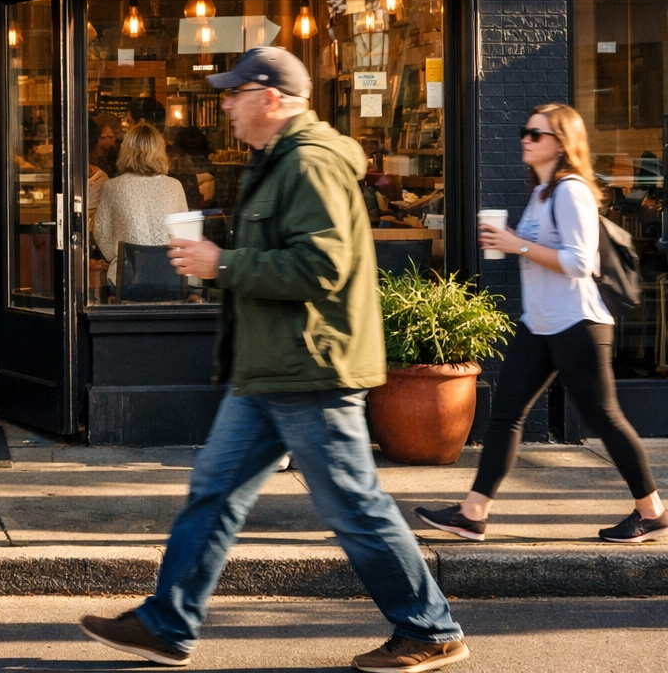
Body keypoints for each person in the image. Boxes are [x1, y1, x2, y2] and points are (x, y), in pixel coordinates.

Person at [80, 46, 467, 673]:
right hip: (270, 368)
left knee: (352, 503)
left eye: (235, 93)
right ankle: (167, 623)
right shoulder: (278, 161)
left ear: (272, 99)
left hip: (312, 366)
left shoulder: (310, 164)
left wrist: (220, 264)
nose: (226, 105)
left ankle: (430, 627)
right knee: (214, 490)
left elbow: (323, 267)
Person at [417, 104, 665, 545]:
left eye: (535, 134)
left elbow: (578, 263)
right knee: (507, 414)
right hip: (542, 324)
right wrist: (510, 243)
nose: (525, 140)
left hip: (578, 324)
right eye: (524, 132)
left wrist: (518, 245)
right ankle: (473, 512)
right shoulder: (541, 192)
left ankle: (652, 511)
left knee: (605, 418)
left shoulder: (571, 191)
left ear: (561, 143)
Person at [92, 122, 186, 295]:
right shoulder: (175, 186)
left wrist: (119, 257)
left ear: (125, 150)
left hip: (127, 280)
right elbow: (185, 237)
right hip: (172, 279)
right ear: (160, 150)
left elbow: (101, 235)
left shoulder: (112, 187)